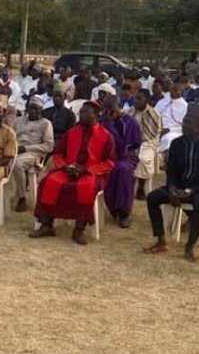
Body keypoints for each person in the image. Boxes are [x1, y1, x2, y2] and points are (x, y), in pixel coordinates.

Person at [143, 104, 199, 262]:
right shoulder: (176, 144)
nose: (184, 125)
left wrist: (191, 191)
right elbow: (171, 171)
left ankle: (190, 246)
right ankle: (161, 241)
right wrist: (172, 189)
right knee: (152, 197)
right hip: (179, 187)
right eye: (185, 121)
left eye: (188, 122)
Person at [29, 101, 115, 246]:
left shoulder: (106, 136)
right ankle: (47, 224)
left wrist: (86, 169)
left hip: (91, 172)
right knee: (48, 182)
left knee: (85, 187)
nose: (81, 115)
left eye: (85, 112)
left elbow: (109, 162)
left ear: (95, 115)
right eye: (80, 112)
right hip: (68, 169)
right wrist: (66, 166)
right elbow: (58, 154)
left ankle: (79, 229)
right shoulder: (71, 132)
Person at [98, 89, 142, 228]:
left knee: (122, 170)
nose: (109, 113)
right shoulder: (101, 121)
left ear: (119, 107)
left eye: (112, 109)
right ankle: (112, 208)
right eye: (106, 109)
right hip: (105, 157)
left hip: (126, 157)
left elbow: (124, 148)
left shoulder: (129, 122)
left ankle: (124, 213)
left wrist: (110, 126)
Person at [10, 97, 55, 211]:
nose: (33, 111)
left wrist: (26, 148)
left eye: (36, 109)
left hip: (33, 153)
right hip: (14, 150)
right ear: (27, 108)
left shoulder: (46, 124)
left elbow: (48, 146)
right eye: (31, 108)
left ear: (41, 110)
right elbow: (10, 137)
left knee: (17, 164)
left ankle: (22, 198)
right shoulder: (18, 121)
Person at [128, 87, 162, 198]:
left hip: (148, 142)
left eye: (139, 99)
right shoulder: (131, 111)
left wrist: (139, 141)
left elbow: (153, 133)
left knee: (142, 158)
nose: (136, 101)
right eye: (135, 98)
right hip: (131, 142)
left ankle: (141, 187)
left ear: (146, 100)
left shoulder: (153, 114)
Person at [155, 79, 188, 154]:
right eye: (171, 90)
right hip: (157, 128)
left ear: (181, 92)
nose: (172, 92)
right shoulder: (162, 101)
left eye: (175, 90)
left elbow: (185, 126)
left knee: (167, 140)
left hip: (174, 131)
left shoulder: (185, 106)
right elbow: (153, 115)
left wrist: (169, 129)